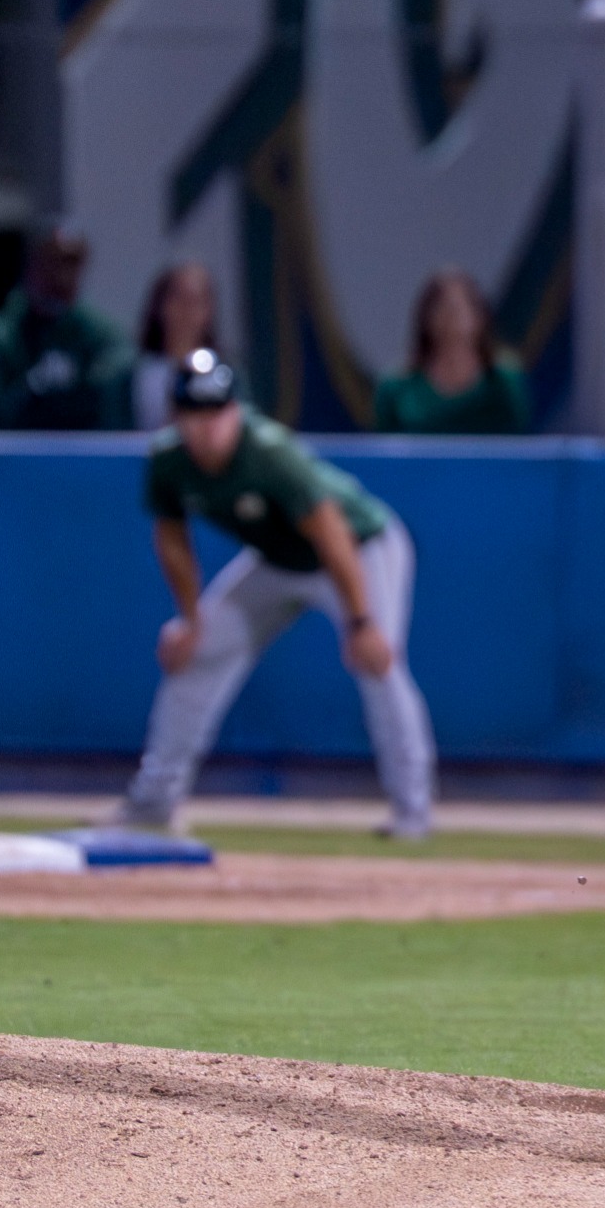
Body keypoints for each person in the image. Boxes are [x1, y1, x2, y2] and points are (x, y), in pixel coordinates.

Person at [115, 351, 436, 840]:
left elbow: (330, 530)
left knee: (378, 663)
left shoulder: (266, 449)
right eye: (193, 416)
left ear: (236, 411)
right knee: (196, 652)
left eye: (216, 414)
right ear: (177, 417)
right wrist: (190, 619)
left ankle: (413, 815)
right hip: (279, 560)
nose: (206, 429)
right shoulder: (167, 459)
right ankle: (154, 802)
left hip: (359, 548)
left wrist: (361, 622)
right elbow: (173, 540)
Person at [0, 217, 132, 429]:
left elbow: (117, 388)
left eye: (72, 263)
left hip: (82, 457)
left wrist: (77, 388)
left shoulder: (100, 333)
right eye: (53, 261)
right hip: (13, 456)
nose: (63, 275)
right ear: (31, 265)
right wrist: (28, 389)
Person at [373, 267, 533, 435]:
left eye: (459, 307)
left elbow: (520, 444)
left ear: (479, 317)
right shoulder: (396, 388)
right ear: (425, 318)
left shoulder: (503, 381)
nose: (451, 316)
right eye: (440, 307)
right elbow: (380, 450)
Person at [131, 261, 218, 431]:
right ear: (160, 306)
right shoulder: (128, 376)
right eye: (178, 298)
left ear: (209, 311)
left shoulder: (226, 375)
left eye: (196, 301)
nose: (187, 310)